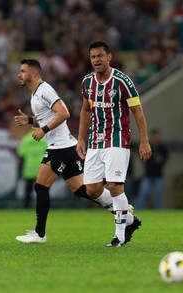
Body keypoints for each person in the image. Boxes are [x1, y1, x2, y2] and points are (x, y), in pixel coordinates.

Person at [13, 59, 140, 244]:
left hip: (60, 147)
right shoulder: (35, 95)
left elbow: (64, 113)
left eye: (23, 71)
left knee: (40, 187)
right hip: (66, 145)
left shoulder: (45, 90)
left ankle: (39, 234)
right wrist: (31, 121)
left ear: (33, 74)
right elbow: (50, 117)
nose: (19, 74)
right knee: (83, 190)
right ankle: (127, 217)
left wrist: (44, 130)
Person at [77, 40, 152, 247]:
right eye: (93, 57)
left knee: (115, 184)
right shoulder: (87, 82)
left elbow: (137, 110)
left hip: (118, 139)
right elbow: (85, 110)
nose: (96, 60)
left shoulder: (122, 81)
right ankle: (128, 219)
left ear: (109, 57)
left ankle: (119, 236)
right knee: (91, 189)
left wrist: (144, 141)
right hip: (95, 141)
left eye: (100, 56)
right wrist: (81, 138)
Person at [135, 128, 168, 209]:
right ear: (153, 136)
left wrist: (161, 165)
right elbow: (141, 155)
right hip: (148, 175)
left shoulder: (162, 147)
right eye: (156, 136)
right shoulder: (148, 146)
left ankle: (157, 211)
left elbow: (166, 158)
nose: (157, 138)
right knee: (143, 193)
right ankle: (138, 209)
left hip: (158, 175)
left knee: (158, 195)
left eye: (159, 136)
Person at [17, 130, 47, 208]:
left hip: (29, 168)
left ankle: (26, 206)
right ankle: (42, 206)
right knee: (42, 189)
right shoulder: (44, 138)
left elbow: (21, 153)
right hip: (41, 168)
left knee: (28, 189)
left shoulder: (26, 138)